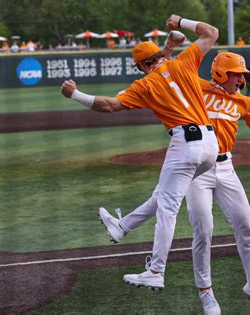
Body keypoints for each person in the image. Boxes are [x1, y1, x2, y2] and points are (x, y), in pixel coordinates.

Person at [98, 34, 250, 314]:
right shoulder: (196, 85)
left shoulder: (242, 102)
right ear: (220, 73)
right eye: (236, 75)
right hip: (198, 164)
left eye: (242, 76)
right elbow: (165, 70)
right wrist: (169, 44)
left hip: (226, 167)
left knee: (245, 225)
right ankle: (206, 293)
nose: (241, 81)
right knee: (202, 230)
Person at [60, 14, 220, 293]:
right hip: (210, 145)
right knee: (163, 194)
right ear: (161, 55)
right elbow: (211, 32)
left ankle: (156, 270)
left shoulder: (144, 86)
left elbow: (109, 105)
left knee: (168, 208)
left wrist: (75, 94)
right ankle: (122, 227)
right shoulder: (184, 61)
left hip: (184, 143)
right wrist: (180, 22)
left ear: (142, 66)